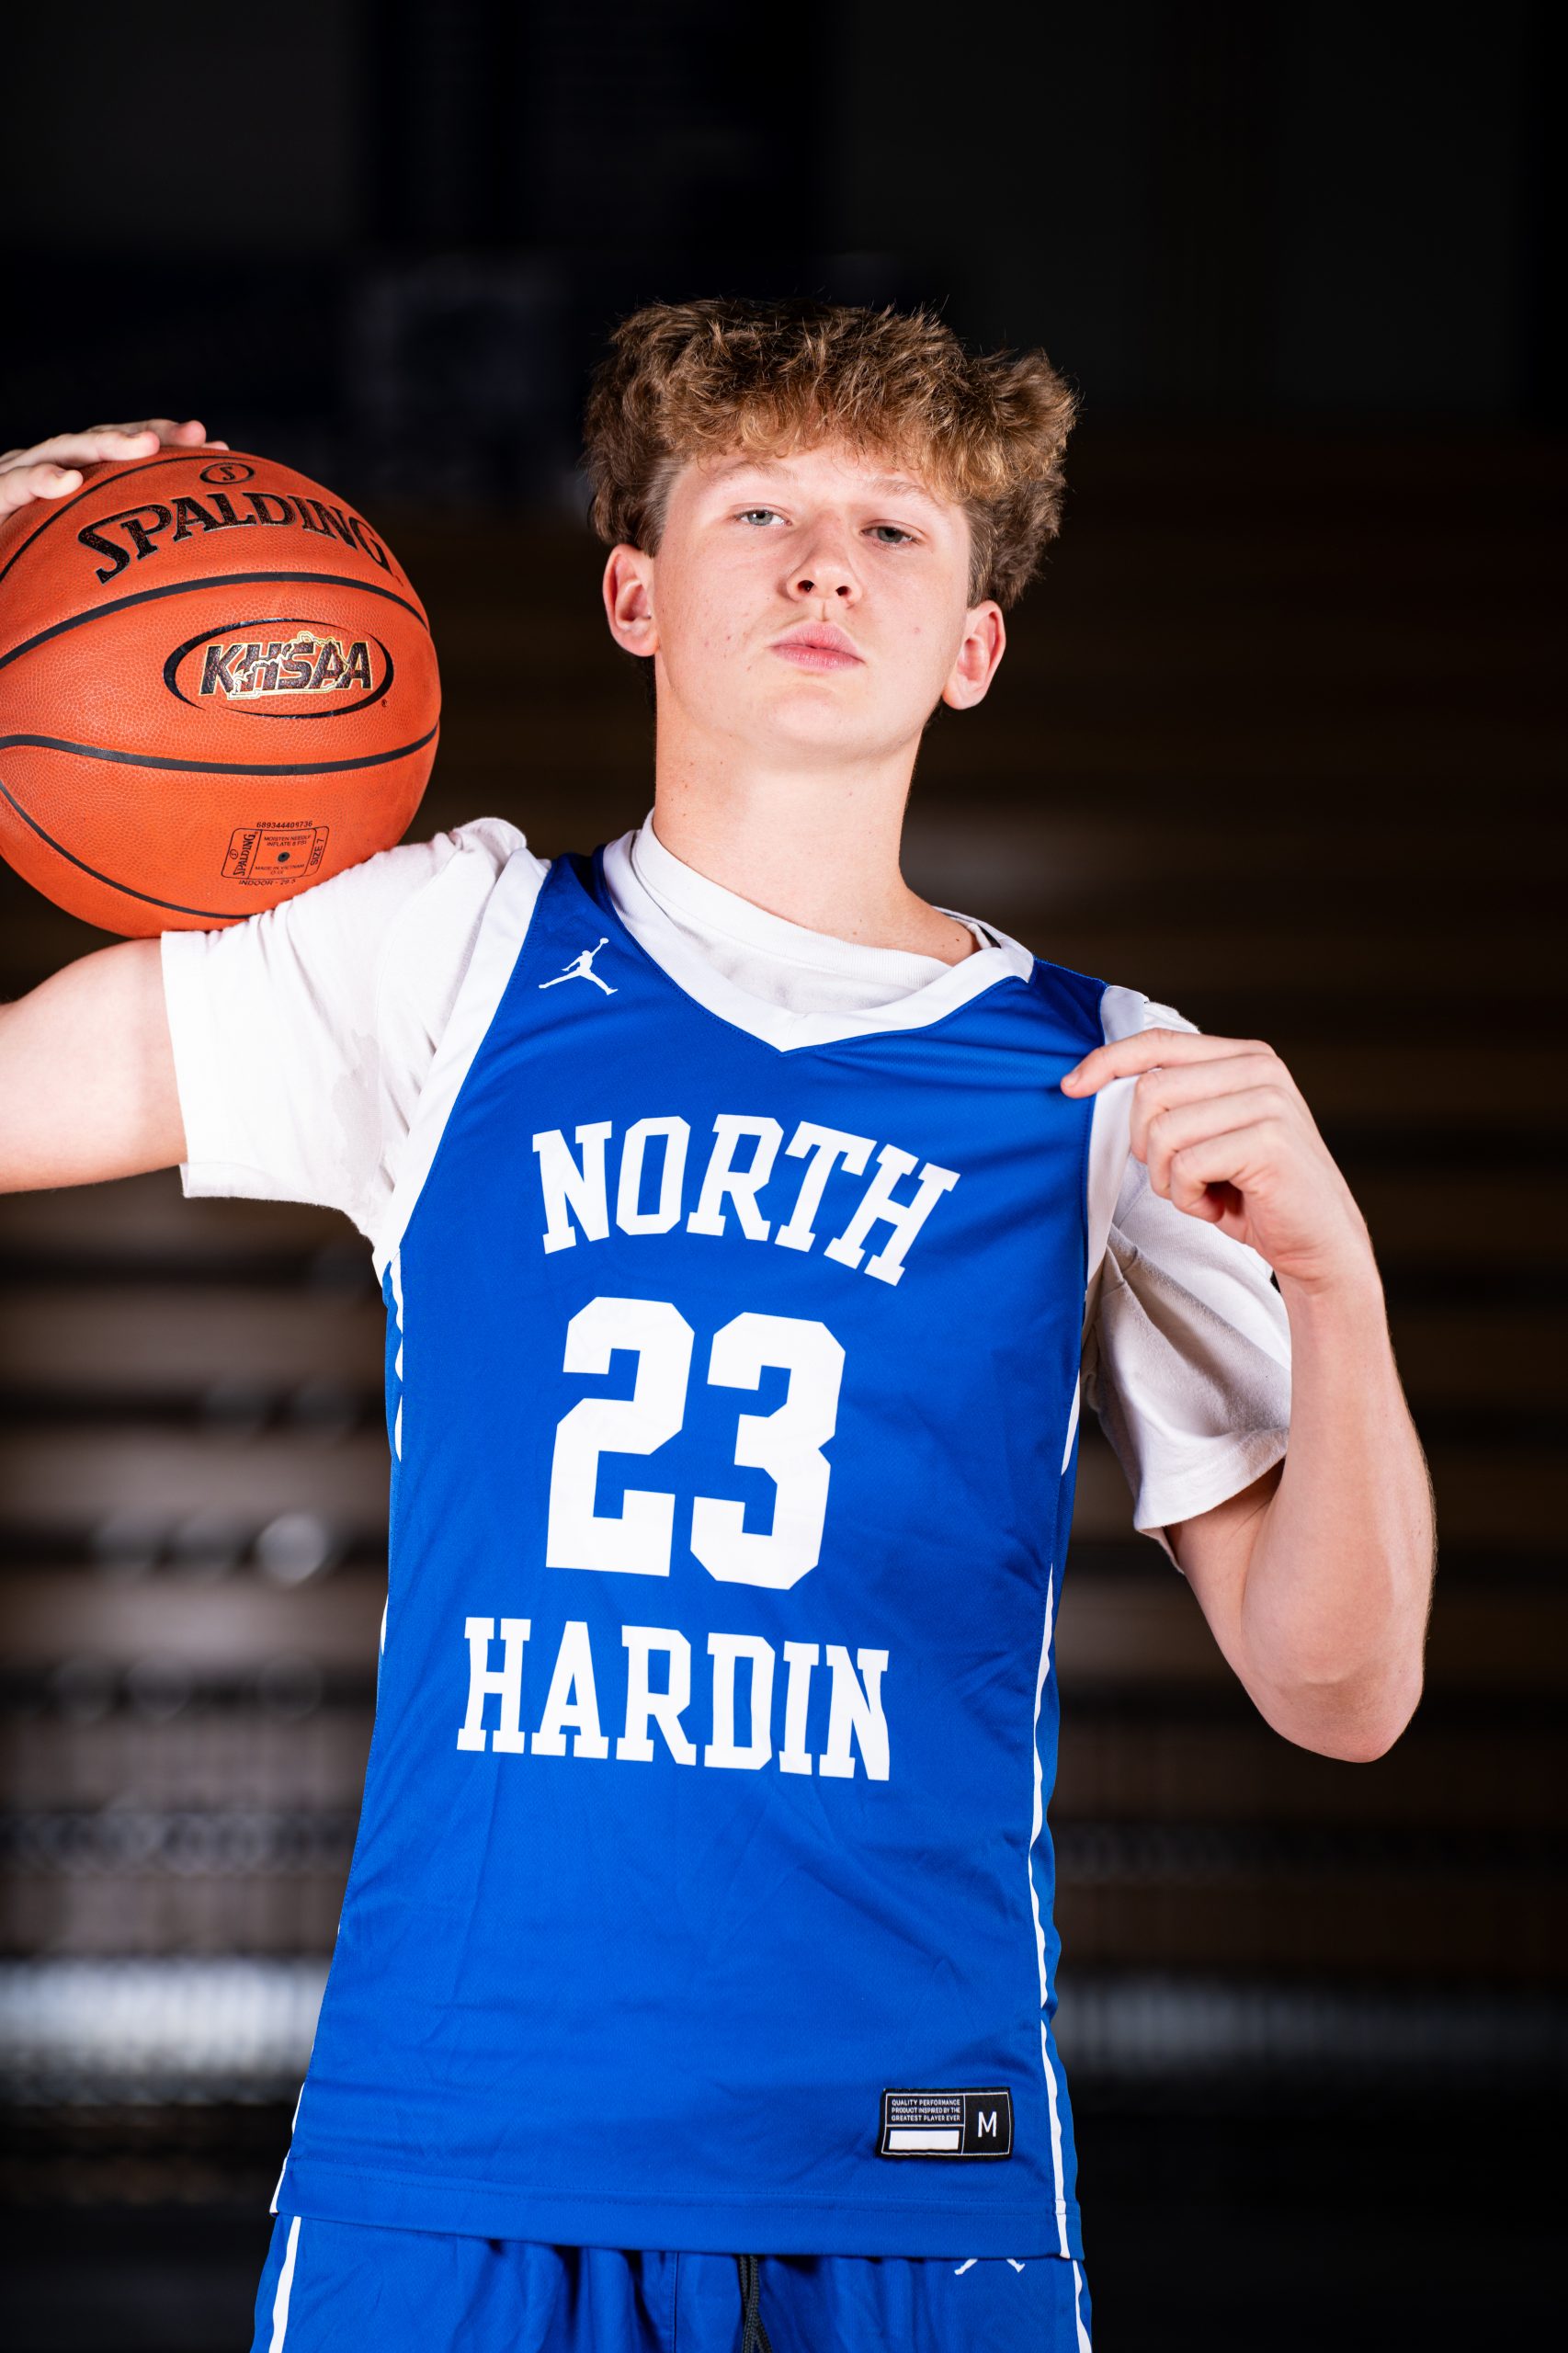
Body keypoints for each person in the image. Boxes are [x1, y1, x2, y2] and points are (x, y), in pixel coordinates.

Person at [0, 301, 1433, 2353]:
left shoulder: (1112, 1083)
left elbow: (1341, 1690)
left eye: (893, 528)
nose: (824, 563)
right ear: (633, 592)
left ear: (972, 646)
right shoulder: (439, 955)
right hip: (458, 2142)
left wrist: (1339, 1288)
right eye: (757, 509)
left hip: (908, 2157)